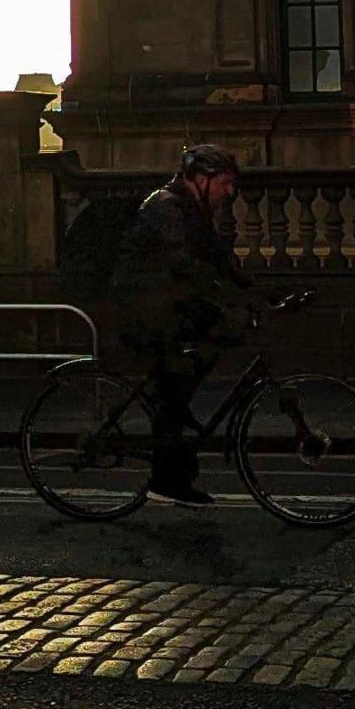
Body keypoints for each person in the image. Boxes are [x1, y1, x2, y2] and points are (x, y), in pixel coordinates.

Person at [109, 143, 250, 505]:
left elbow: (219, 258)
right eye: (225, 183)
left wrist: (259, 293)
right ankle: (166, 480)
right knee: (173, 383)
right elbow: (185, 263)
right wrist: (225, 302)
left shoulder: (195, 209)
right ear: (200, 179)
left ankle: (175, 413)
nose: (229, 192)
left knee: (212, 345)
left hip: (167, 302)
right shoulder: (166, 207)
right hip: (142, 306)